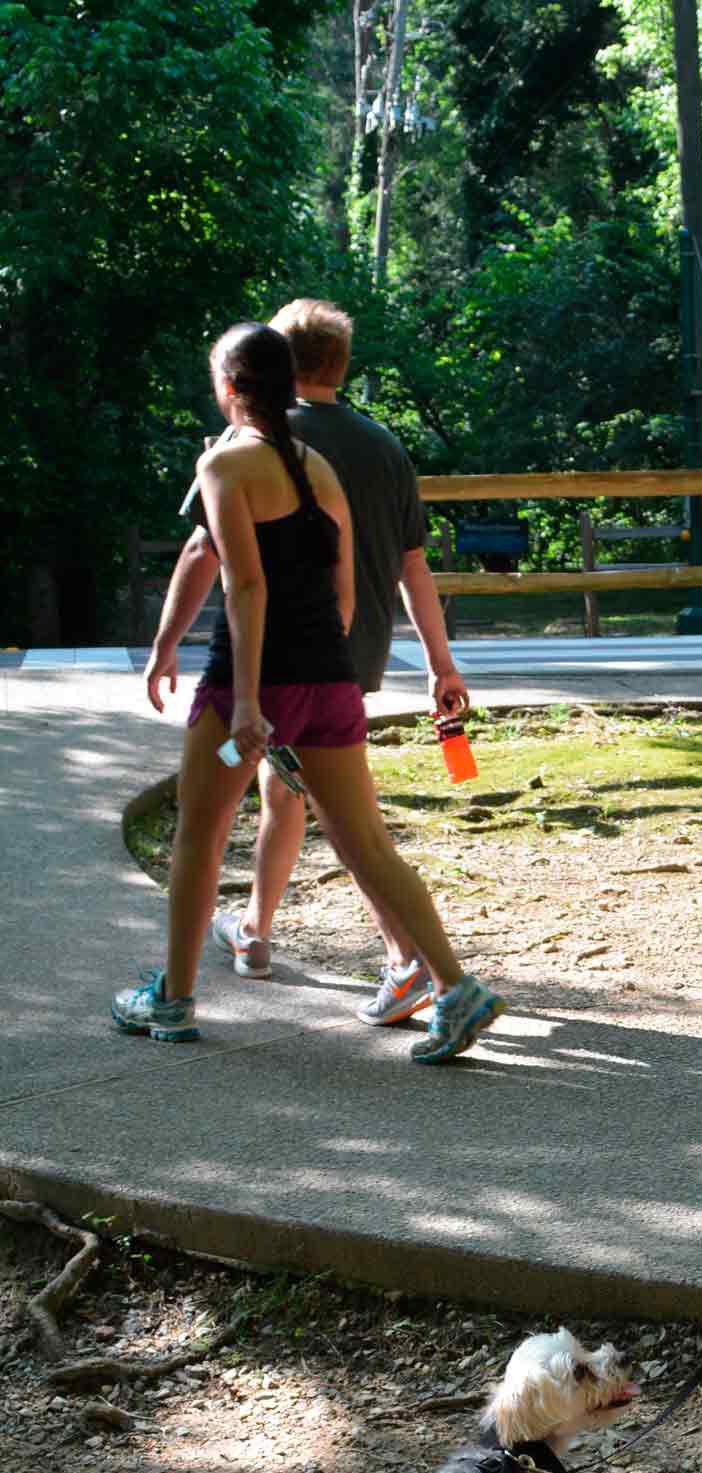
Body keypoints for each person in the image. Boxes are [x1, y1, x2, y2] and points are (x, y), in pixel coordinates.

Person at [113, 322, 503, 1064]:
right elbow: (346, 593)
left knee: (199, 836)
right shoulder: (318, 467)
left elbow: (244, 584)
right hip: (331, 680)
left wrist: (254, 702)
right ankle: (456, 988)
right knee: (368, 843)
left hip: (245, 687)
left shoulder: (227, 465)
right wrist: (313, 681)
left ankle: (172, 999)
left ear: (229, 387)